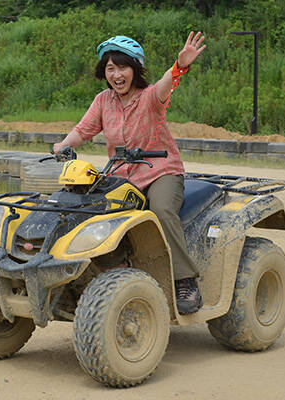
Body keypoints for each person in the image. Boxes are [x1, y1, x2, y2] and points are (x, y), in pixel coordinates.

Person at [53, 32, 206, 314]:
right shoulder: (103, 101)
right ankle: (116, 272)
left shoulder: (150, 97)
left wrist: (179, 66)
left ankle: (186, 280)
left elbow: (165, 85)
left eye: (122, 67)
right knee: (92, 211)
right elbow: (83, 130)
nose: (116, 74)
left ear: (135, 69)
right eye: (110, 68)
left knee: (160, 210)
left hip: (161, 172)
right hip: (122, 176)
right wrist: (63, 144)